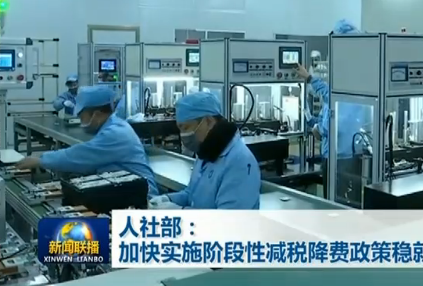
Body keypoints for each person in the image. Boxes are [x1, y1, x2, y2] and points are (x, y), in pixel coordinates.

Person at [17, 86, 159, 198]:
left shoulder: (115, 133)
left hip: (143, 202)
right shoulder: (111, 126)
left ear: (96, 114)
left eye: (82, 116)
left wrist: (41, 160)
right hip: (124, 193)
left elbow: (79, 156)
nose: (80, 121)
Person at [294, 18, 368, 207]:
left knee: (338, 205)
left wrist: (321, 129)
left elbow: (341, 115)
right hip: (343, 152)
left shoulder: (350, 72)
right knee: (341, 202)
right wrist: (317, 121)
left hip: (341, 155)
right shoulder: (352, 69)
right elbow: (331, 97)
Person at [149, 92, 261, 210]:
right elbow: (191, 194)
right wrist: (168, 199)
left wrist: (179, 211)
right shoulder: (207, 152)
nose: (183, 135)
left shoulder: (239, 162)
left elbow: (228, 220)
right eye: (180, 129)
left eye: (186, 127)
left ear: (208, 121)